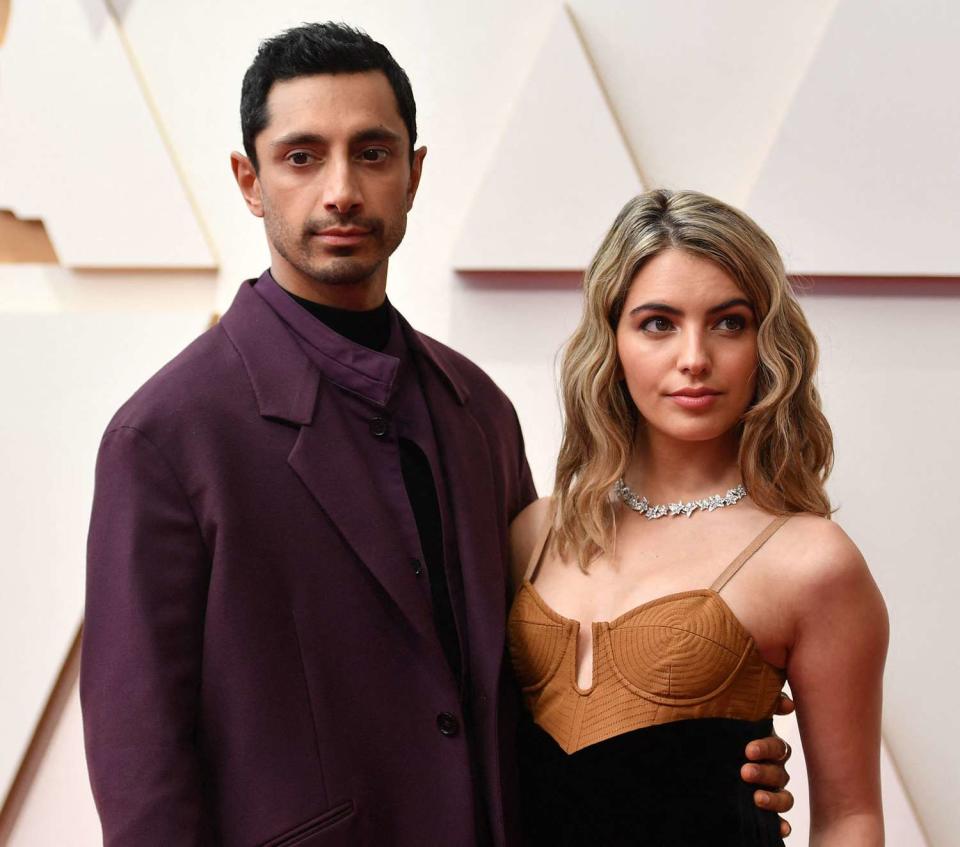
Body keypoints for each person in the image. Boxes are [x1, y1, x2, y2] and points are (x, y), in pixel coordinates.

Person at [81, 25, 795, 847]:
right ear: (250, 180)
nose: (342, 190)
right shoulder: (167, 435)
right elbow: (141, 768)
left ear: (415, 174)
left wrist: (699, 747)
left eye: (373, 153)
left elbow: (547, 670)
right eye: (302, 156)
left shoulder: (478, 410)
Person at [508, 189, 888, 846]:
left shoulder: (812, 560)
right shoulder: (535, 532)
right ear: (612, 339)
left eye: (728, 322)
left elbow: (850, 818)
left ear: (767, 342)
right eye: (658, 322)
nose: (694, 358)